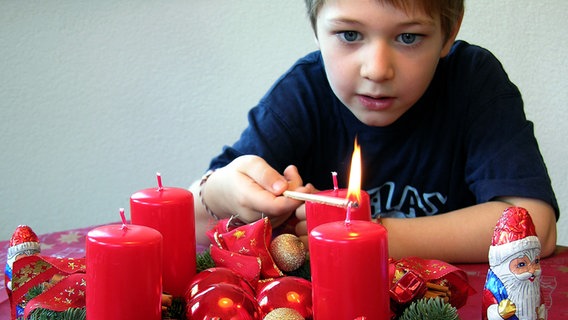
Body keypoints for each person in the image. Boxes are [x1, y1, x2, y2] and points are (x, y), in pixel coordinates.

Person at [189, 0, 559, 263]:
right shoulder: (302, 94)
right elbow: (189, 220)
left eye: (409, 38)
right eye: (350, 34)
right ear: (316, 29)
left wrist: (374, 235)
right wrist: (222, 193)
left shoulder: (473, 82)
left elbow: (533, 227)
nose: (378, 70)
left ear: (449, 32)